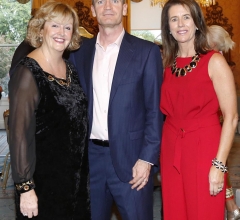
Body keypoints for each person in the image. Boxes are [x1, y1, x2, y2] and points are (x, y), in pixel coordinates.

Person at [69, 0, 163, 219]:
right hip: (91, 161)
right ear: (93, 10)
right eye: (101, 1)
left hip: (133, 162)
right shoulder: (78, 53)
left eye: (115, 1)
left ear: (124, 8)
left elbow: (154, 111)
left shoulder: (146, 52)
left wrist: (147, 159)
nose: (108, 6)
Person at [8, 2, 91, 219]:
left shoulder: (70, 68)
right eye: (55, 25)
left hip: (75, 181)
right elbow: (18, 136)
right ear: (41, 28)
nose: (61, 33)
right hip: (42, 184)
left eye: (67, 27)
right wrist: (25, 189)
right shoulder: (28, 72)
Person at [160, 0, 238, 219]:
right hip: (172, 147)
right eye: (173, 19)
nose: (180, 24)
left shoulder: (214, 62)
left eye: (186, 17)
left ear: (197, 23)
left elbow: (231, 117)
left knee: (203, 212)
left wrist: (219, 165)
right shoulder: (167, 63)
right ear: (168, 27)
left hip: (205, 149)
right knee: (175, 212)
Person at [207, 25, 240, 220]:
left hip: (217, 124)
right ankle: (231, 207)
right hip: (217, 122)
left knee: (218, 166)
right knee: (220, 165)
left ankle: (230, 206)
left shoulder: (215, 61)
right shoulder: (215, 59)